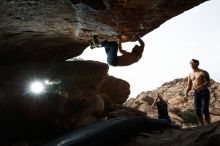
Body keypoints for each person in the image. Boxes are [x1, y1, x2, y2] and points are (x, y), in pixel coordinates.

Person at [185, 59, 211, 125]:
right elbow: (189, 85)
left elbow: (208, 83)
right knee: (197, 110)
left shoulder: (203, 72)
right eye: (191, 63)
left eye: (193, 63)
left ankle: (209, 124)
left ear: (197, 64)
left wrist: (200, 87)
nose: (192, 64)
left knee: (204, 109)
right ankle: (202, 125)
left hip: (204, 92)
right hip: (196, 93)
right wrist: (186, 93)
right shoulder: (190, 74)